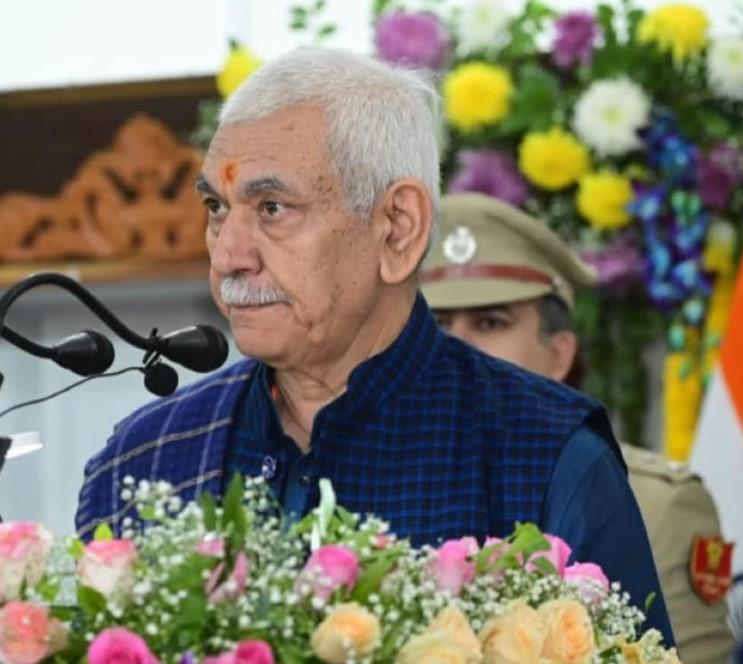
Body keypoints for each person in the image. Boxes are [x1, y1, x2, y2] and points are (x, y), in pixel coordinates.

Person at [76, 48, 673, 642]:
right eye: (216, 207)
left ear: (397, 228)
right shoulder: (146, 456)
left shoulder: (544, 455)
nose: (228, 255)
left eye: (273, 208)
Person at [423, 192, 732, 663]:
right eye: (437, 325)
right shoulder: (366, 483)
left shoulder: (657, 505)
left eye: (490, 322)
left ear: (560, 354)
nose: (455, 350)